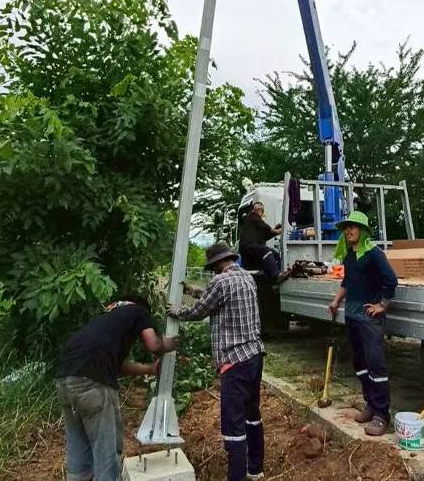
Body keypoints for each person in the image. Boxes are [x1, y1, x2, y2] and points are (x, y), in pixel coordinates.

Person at [56, 294, 178, 481]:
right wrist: (167, 344)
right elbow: (153, 344)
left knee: (78, 445)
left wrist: (149, 369)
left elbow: (119, 366)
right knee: (107, 450)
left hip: (65, 381)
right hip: (93, 382)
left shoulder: (105, 320)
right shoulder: (138, 311)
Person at [171, 242, 265, 481]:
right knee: (252, 415)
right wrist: (192, 290)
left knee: (233, 426)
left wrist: (177, 311)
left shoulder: (220, 281)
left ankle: (236, 477)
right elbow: (214, 298)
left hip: (234, 361)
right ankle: (255, 470)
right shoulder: (246, 277)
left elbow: (199, 311)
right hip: (254, 356)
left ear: (216, 264)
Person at [327, 211, 398, 436]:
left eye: (353, 227)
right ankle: (370, 404)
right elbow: (348, 281)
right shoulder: (350, 255)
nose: (349, 231)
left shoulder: (374, 254)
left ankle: (382, 415)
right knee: (360, 364)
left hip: (369, 319)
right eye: (346, 227)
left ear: (363, 230)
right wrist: (337, 300)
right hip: (352, 316)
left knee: (376, 365)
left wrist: (382, 305)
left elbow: (391, 280)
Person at [238, 201, 282, 280]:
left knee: (275, 254)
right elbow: (265, 227)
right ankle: (276, 274)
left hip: (252, 247)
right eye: (258, 205)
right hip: (248, 246)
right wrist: (277, 231)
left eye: (261, 206)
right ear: (253, 209)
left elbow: (265, 236)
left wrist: (275, 231)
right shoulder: (252, 215)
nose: (259, 207)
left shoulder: (255, 223)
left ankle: (276, 273)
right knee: (266, 250)